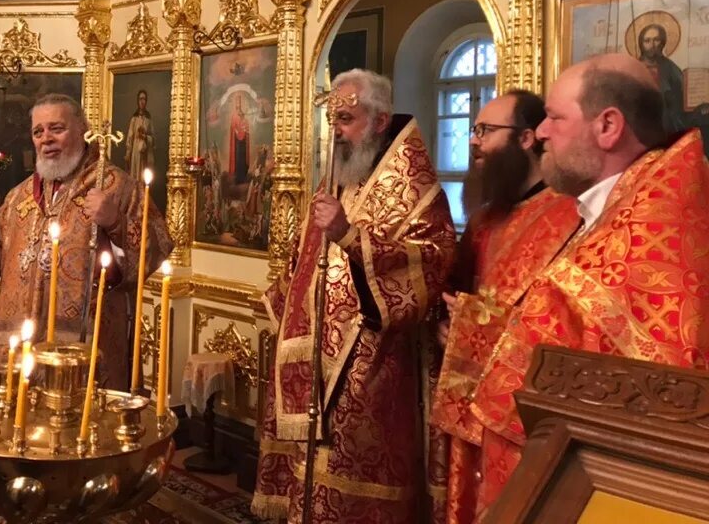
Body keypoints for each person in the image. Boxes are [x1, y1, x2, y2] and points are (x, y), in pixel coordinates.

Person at [472, 54, 709, 517]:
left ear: (608, 127)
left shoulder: (653, 233)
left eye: (555, 118)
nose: (540, 133)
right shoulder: (620, 207)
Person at [252, 69, 456, 524]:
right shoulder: (339, 179)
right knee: (311, 472)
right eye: (333, 120)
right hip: (316, 357)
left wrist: (348, 235)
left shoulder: (415, 189)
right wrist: (284, 299)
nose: (337, 132)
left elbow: (432, 260)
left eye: (347, 119)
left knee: (350, 476)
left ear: (381, 121)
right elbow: (308, 260)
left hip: (376, 363)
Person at [0, 94, 172, 389]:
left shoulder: (117, 187)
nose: (46, 139)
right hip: (20, 350)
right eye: (38, 131)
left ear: (83, 130)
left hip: (85, 353)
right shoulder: (19, 196)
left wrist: (116, 222)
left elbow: (157, 247)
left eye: (57, 128)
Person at [430, 91, 580, 524]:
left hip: (524, 410)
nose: (474, 141)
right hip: (469, 398)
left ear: (527, 138)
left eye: (486, 131)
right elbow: (452, 292)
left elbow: (562, 318)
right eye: (473, 131)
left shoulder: (570, 215)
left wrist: (474, 325)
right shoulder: (482, 220)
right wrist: (446, 324)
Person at [636, 22, 709, 156]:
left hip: (669, 121)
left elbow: (683, 96)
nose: (652, 45)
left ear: (662, 42)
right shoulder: (634, 68)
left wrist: (699, 105)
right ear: (641, 43)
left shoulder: (670, 68)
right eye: (647, 41)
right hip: (642, 120)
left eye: (656, 40)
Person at [124, 90, 155, 178]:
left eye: (144, 99)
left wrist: (145, 137)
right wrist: (128, 153)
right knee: (135, 174)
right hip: (135, 151)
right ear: (138, 101)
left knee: (143, 175)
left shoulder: (148, 119)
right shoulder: (134, 118)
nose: (142, 101)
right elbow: (130, 137)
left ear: (146, 101)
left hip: (145, 152)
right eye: (140, 99)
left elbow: (153, 139)